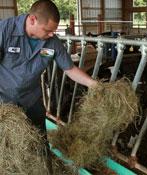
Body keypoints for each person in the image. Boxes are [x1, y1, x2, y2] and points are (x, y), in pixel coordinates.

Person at [0, 0, 97, 174]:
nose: (52, 34)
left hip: (31, 100)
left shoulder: (52, 43)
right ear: (32, 20)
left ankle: (45, 169)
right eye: (48, 30)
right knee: (8, 145)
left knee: (39, 140)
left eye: (54, 30)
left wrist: (94, 85)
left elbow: (70, 69)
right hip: (4, 104)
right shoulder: (4, 31)